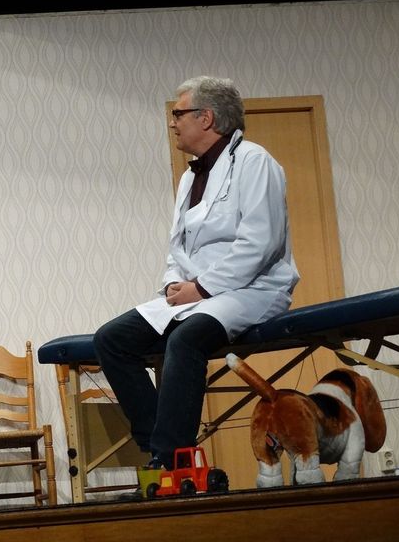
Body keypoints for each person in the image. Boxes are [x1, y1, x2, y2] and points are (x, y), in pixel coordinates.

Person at [93, 76, 299, 470]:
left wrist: (202, 288)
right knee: (112, 339)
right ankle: (157, 444)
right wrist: (175, 282)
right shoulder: (191, 176)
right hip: (196, 291)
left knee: (185, 340)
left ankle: (172, 458)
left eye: (178, 114)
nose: (172, 122)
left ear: (206, 118)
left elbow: (260, 244)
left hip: (253, 289)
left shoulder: (255, 162)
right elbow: (179, 245)